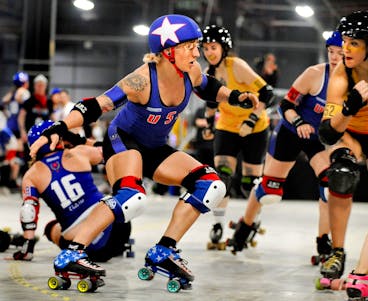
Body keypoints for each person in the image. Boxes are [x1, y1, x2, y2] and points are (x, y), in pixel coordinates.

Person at [28, 14, 258, 282]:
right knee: (132, 197)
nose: (197, 52)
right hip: (122, 140)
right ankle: (72, 253)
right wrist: (61, 126)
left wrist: (235, 97)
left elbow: (209, 88)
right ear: (169, 52)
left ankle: (163, 250)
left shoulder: (191, 71)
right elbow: (97, 105)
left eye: (197, 45)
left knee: (212, 185)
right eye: (190, 46)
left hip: (154, 147)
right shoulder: (141, 80)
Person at [228, 30, 344, 255]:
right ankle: (245, 226)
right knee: (269, 189)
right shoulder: (315, 74)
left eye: (340, 53)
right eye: (331, 52)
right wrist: (299, 122)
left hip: (318, 138)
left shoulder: (356, 82)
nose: (334, 57)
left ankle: (323, 243)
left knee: (331, 186)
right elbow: (285, 105)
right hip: (291, 133)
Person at [13, 120, 131, 262]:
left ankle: (28, 249)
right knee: (114, 202)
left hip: (89, 248)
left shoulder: (31, 175)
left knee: (51, 227)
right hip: (118, 230)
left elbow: (28, 211)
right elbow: (113, 151)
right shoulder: (79, 152)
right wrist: (79, 141)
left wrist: (28, 246)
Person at [201, 24, 274, 246]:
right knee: (222, 178)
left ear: (224, 48)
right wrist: (208, 124)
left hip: (256, 127)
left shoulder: (237, 66)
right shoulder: (208, 73)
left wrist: (251, 120)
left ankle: (253, 221)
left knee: (250, 183)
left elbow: (266, 93)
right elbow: (212, 99)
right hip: (227, 127)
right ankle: (218, 225)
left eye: (213, 47)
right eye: (205, 48)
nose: (209, 52)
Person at [317, 11, 368, 291]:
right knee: (341, 174)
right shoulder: (341, 74)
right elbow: (328, 132)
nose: (345, 50)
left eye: (354, 43)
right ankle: (337, 251)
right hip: (349, 132)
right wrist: (350, 107)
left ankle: (364, 268)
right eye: (345, 42)